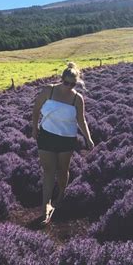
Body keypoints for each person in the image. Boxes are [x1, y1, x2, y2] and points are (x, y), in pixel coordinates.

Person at [31, 62, 94, 226]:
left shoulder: (77, 99)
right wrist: (34, 129)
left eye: (72, 84)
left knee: (63, 170)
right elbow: (36, 109)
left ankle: (61, 195)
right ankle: (46, 206)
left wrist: (88, 138)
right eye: (66, 83)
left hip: (67, 139)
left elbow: (81, 120)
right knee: (49, 171)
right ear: (61, 79)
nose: (68, 86)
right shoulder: (48, 90)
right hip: (46, 136)